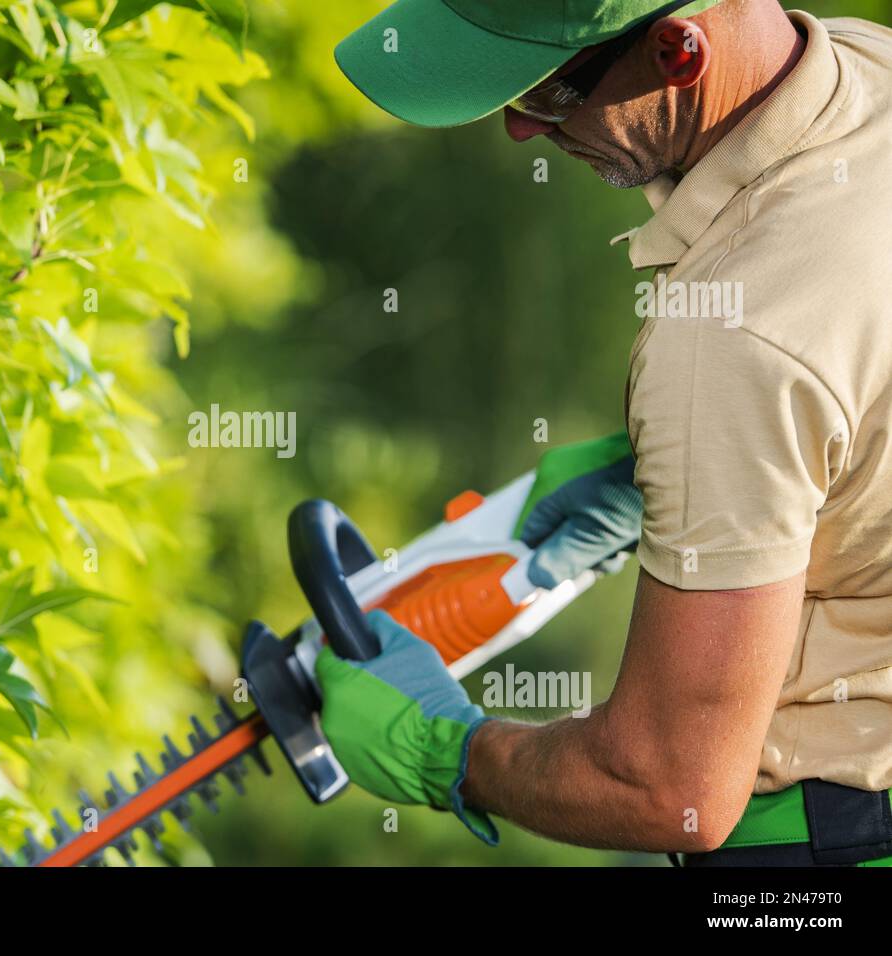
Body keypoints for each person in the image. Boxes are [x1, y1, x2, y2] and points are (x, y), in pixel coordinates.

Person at [317, 0, 892, 865]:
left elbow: (669, 790)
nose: (517, 127)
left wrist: (451, 750)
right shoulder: (866, 64)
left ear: (678, 51)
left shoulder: (734, 339)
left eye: (548, 92)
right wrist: (720, 474)